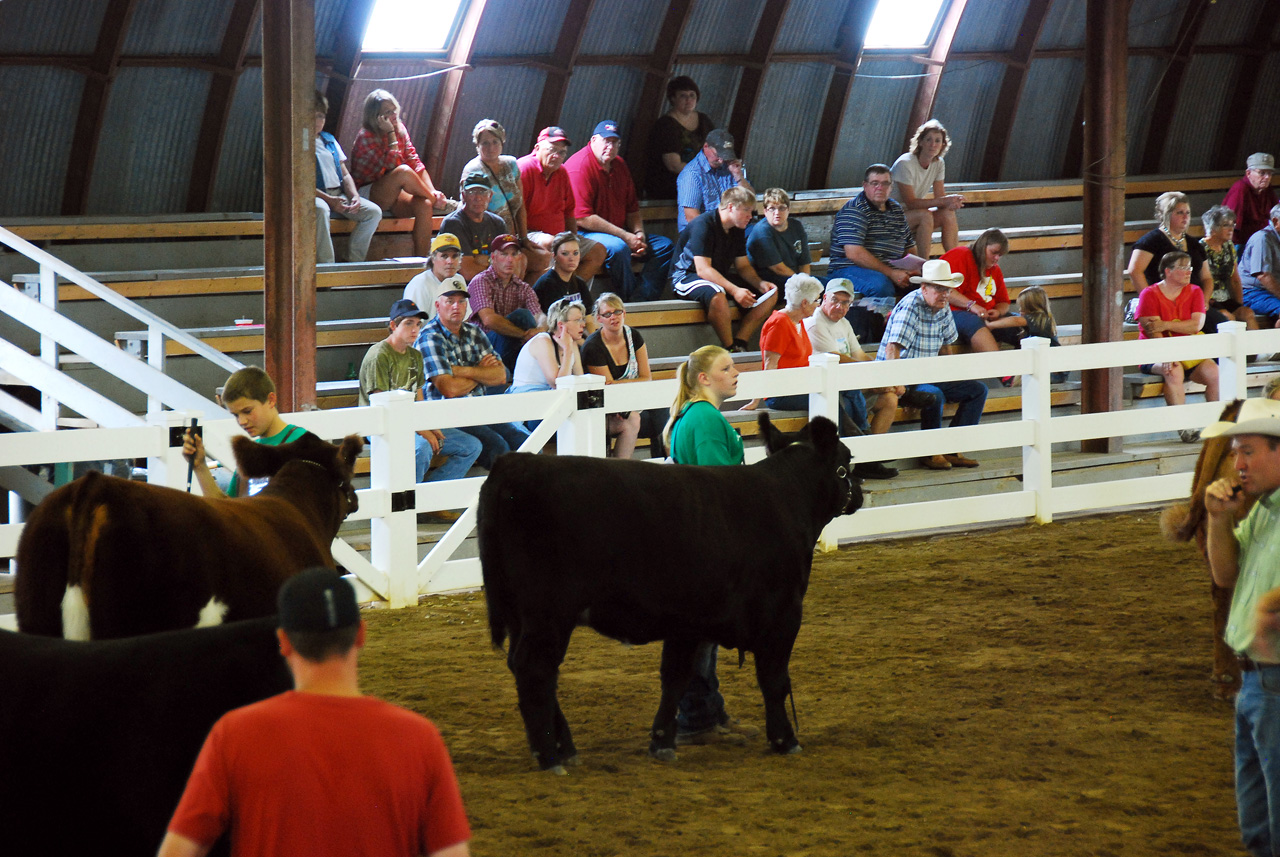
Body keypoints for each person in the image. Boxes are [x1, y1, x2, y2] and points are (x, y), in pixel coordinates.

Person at [157, 568, 471, 857]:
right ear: (361, 635)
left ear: (283, 641)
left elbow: (178, 850)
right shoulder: (419, 737)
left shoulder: (234, 733)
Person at [661, 345, 759, 746]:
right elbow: (718, 484)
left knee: (702, 631)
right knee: (701, 631)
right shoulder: (704, 418)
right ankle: (697, 716)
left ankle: (706, 710)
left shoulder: (694, 415)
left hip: (692, 537)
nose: (735, 372)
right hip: (705, 539)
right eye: (726, 367)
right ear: (704, 378)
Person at [1203, 397, 1280, 857]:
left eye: (1247, 451)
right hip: (1255, 681)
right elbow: (1225, 576)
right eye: (1235, 453)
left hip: (1274, 679)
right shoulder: (1263, 511)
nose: (1238, 464)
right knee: (1258, 826)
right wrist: (1218, 520)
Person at [358, 298, 483, 507]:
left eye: (418, 324)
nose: (415, 329)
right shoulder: (379, 355)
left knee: (470, 446)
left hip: (411, 420)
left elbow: (419, 395)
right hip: (381, 426)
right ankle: (408, 506)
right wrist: (422, 430)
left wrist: (429, 424)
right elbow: (380, 405)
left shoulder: (415, 355)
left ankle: (429, 500)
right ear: (393, 325)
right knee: (422, 447)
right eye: (408, 323)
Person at [875, 259, 988, 470]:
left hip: (929, 374)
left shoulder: (943, 307)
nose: (945, 294)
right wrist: (898, 385)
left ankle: (952, 448)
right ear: (924, 288)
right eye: (939, 288)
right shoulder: (910, 307)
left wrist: (951, 375)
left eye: (947, 289)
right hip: (904, 377)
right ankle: (930, 451)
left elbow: (946, 347)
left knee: (977, 390)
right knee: (934, 395)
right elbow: (893, 350)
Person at [417, 277, 531, 469]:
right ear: (438, 305)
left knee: (526, 441)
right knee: (499, 448)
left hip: (481, 411)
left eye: (461, 301)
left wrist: (463, 371)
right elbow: (449, 389)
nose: (456, 306)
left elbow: (502, 375)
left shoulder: (474, 332)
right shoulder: (429, 338)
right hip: (448, 416)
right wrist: (482, 372)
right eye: (450, 301)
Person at [565, 119, 673, 302]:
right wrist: (626, 236)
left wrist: (639, 235)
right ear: (593, 140)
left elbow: (632, 208)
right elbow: (582, 218)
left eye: (615, 142)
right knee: (619, 247)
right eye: (606, 141)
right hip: (585, 233)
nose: (610, 146)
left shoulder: (620, 165)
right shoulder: (580, 166)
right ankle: (631, 304)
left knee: (664, 246)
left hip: (620, 231)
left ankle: (641, 300)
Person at [804, 278, 901, 479]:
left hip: (851, 385)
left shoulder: (844, 323)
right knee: (874, 394)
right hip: (830, 391)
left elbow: (860, 356)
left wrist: (880, 377)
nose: (839, 306)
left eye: (845, 303)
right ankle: (860, 456)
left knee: (890, 399)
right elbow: (838, 359)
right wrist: (874, 381)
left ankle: (868, 459)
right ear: (824, 298)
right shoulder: (815, 323)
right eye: (834, 300)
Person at [671, 186, 777, 352]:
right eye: (746, 211)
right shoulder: (703, 224)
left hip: (717, 275)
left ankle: (741, 342)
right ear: (730, 207)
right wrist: (735, 290)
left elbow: (742, 266)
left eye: (752, 211)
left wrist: (760, 283)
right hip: (686, 276)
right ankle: (729, 349)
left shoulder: (737, 228)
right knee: (717, 294)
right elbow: (703, 269)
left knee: (771, 292)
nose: (750, 216)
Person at [182, 366, 309, 499]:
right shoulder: (249, 454)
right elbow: (229, 510)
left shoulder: (302, 445)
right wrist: (200, 467)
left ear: (271, 400)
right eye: (236, 415)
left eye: (247, 411)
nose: (241, 421)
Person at [348, 89, 447, 257]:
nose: (394, 115)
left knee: (424, 205)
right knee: (403, 172)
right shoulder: (366, 136)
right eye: (388, 112)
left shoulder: (400, 129)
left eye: (394, 110)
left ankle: (422, 264)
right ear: (376, 116)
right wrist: (391, 134)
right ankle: (436, 201)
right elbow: (392, 165)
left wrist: (432, 192)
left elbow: (415, 162)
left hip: (395, 191)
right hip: (368, 193)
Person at [1135, 250, 1220, 442]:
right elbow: (1152, 330)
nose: (1188, 271)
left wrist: (1167, 324)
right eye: (1182, 268)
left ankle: (1216, 426)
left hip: (1189, 349)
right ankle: (1183, 427)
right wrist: (1167, 353)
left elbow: (1196, 325)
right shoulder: (1150, 294)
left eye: (1189, 267)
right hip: (1155, 350)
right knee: (1173, 370)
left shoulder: (1195, 291)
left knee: (1214, 373)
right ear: (1168, 271)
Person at [462, 119, 551, 281]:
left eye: (495, 142)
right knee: (519, 261)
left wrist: (523, 239)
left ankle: (525, 297)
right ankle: (509, 301)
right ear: (477, 146)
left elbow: (519, 204)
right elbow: (469, 214)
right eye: (485, 144)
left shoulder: (511, 164)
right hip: (486, 241)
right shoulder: (473, 170)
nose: (491, 148)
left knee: (544, 258)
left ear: (502, 142)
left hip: (512, 236)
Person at [518, 126, 605, 282]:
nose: (557, 156)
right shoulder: (525, 168)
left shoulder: (562, 172)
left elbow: (569, 212)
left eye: (562, 152)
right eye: (552, 150)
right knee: (551, 244)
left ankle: (568, 291)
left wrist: (574, 239)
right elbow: (517, 211)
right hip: (529, 233)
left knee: (597, 251)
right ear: (537, 148)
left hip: (559, 236)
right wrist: (523, 238)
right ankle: (545, 296)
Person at [1126, 191, 1222, 332]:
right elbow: (1134, 271)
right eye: (1179, 213)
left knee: (1222, 325)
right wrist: (1151, 300)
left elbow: (1207, 278)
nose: (1185, 217)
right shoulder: (1151, 241)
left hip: (1192, 304)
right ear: (1167, 215)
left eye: (1188, 213)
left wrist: (1204, 301)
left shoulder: (1194, 244)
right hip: (1165, 301)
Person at [941, 229, 1024, 384]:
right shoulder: (960, 255)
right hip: (954, 312)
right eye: (994, 253)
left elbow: (1004, 302)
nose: (997, 258)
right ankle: (1004, 373)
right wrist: (972, 305)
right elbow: (944, 290)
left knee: (1024, 323)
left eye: (1000, 255)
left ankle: (1031, 368)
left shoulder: (995, 270)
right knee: (974, 322)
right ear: (983, 246)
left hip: (985, 315)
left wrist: (997, 311)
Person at [828, 164, 922, 298]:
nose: (880, 188)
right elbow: (854, 253)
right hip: (849, 269)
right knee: (881, 286)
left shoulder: (896, 209)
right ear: (865, 186)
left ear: (891, 187)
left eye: (885, 183)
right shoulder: (854, 209)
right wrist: (891, 273)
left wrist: (913, 269)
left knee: (927, 282)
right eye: (874, 183)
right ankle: (879, 319)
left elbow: (909, 246)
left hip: (888, 268)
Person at [312, 90, 381, 263]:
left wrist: (354, 196)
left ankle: (354, 261)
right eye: (311, 115)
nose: (317, 121)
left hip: (338, 194)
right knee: (321, 210)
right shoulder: (298, 142)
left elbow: (345, 173)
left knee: (373, 212)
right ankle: (327, 265)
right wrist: (329, 200)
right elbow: (299, 183)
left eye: (320, 116)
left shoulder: (329, 140)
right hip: (315, 195)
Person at [582, 292, 650, 459]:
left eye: (617, 312)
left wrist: (620, 386)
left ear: (624, 313)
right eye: (607, 314)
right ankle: (621, 468)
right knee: (632, 420)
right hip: (600, 408)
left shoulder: (634, 336)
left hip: (632, 401)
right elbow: (607, 388)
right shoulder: (593, 346)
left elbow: (647, 378)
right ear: (599, 319)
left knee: (664, 415)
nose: (614, 317)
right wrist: (630, 385)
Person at [466, 233, 548, 371]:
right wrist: (524, 335)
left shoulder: (523, 287)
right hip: (482, 346)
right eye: (504, 254)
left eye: (514, 254)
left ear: (519, 258)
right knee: (521, 316)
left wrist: (539, 329)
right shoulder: (481, 281)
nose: (509, 259)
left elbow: (540, 316)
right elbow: (489, 320)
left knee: (533, 323)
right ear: (493, 257)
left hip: (510, 344)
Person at [892, 119, 964, 258]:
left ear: (943, 145)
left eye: (937, 141)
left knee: (947, 214)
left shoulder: (938, 163)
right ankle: (923, 265)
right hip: (892, 217)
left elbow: (940, 199)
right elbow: (911, 202)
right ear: (920, 142)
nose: (933, 144)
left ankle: (956, 260)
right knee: (925, 215)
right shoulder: (905, 163)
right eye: (929, 139)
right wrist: (944, 201)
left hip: (913, 216)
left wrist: (951, 203)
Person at [754, 273, 821, 413]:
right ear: (804, 303)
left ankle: (856, 432)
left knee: (844, 392)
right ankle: (846, 434)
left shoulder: (798, 321)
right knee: (829, 398)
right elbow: (770, 364)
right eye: (816, 300)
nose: (818, 305)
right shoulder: (779, 323)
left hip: (800, 387)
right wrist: (755, 400)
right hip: (781, 394)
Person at [645, 75, 714, 200]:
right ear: (673, 99)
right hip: (672, 186)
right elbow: (673, 165)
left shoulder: (704, 121)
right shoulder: (666, 125)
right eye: (683, 96)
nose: (688, 100)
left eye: (692, 95)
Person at [440, 171, 518, 282]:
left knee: (523, 260)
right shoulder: (453, 223)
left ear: (490, 196)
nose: (478, 197)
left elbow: (511, 264)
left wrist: (484, 261)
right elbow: (467, 272)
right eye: (472, 192)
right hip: (460, 287)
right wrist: (495, 264)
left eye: (482, 192)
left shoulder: (497, 223)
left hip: (493, 285)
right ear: (463, 195)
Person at [675, 129, 754, 231]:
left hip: (731, 227)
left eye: (725, 155)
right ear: (706, 147)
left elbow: (750, 201)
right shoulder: (692, 174)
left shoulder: (729, 167)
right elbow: (691, 216)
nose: (721, 160)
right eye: (718, 155)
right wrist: (719, 233)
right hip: (702, 231)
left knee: (756, 235)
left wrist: (738, 175)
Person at [508, 297, 586, 397]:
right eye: (577, 320)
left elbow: (580, 380)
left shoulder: (571, 344)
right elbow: (557, 384)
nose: (583, 324)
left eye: (582, 319)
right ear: (561, 325)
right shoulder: (543, 341)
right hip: (525, 396)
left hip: (548, 396)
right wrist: (567, 350)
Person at [1201, 204, 1258, 329]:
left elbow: (1235, 279)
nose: (1231, 228)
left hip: (1226, 298)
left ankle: (1258, 349)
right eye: (1226, 225)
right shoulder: (1200, 248)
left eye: (1232, 224)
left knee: (1247, 313)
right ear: (1213, 228)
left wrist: (1239, 305)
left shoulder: (1229, 246)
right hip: (1208, 300)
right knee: (1228, 318)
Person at [746, 187, 811, 288]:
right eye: (772, 209)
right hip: (771, 280)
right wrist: (802, 283)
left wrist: (806, 281)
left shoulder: (796, 226)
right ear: (765, 211)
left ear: (788, 209)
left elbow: (804, 262)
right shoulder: (762, 231)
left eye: (782, 208)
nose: (777, 213)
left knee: (830, 286)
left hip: (795, 278)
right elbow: (777, 268)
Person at [403, 233, 466, 318]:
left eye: (455, 256)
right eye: (444, 256)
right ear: (433, 258)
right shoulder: (419, 284)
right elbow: (411, 324)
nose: (450, 261)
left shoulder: (459, 280)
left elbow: (465, 319)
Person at [1222, 152, 1277, 250]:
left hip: (1263, 241)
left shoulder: (1267, 189)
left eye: (1269, 173)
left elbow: (1277, 214)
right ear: (1248, 173)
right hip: (1242, 245)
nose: (1267, 177)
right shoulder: (1240, 190)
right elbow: (1230, 227)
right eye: (1262, 173)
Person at [533, 232, 594, 318]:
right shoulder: (547, 284)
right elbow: (554, 322)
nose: (571, 258)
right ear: (554, 256)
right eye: (565, 253)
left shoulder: (580, 283)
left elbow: (589, 318)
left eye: (575, 253)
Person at [1240, 204, 1280, 324]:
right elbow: (1263, 276)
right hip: (1253, 291)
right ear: (1275, 221)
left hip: (1271, 290)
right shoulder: (1262, 238)